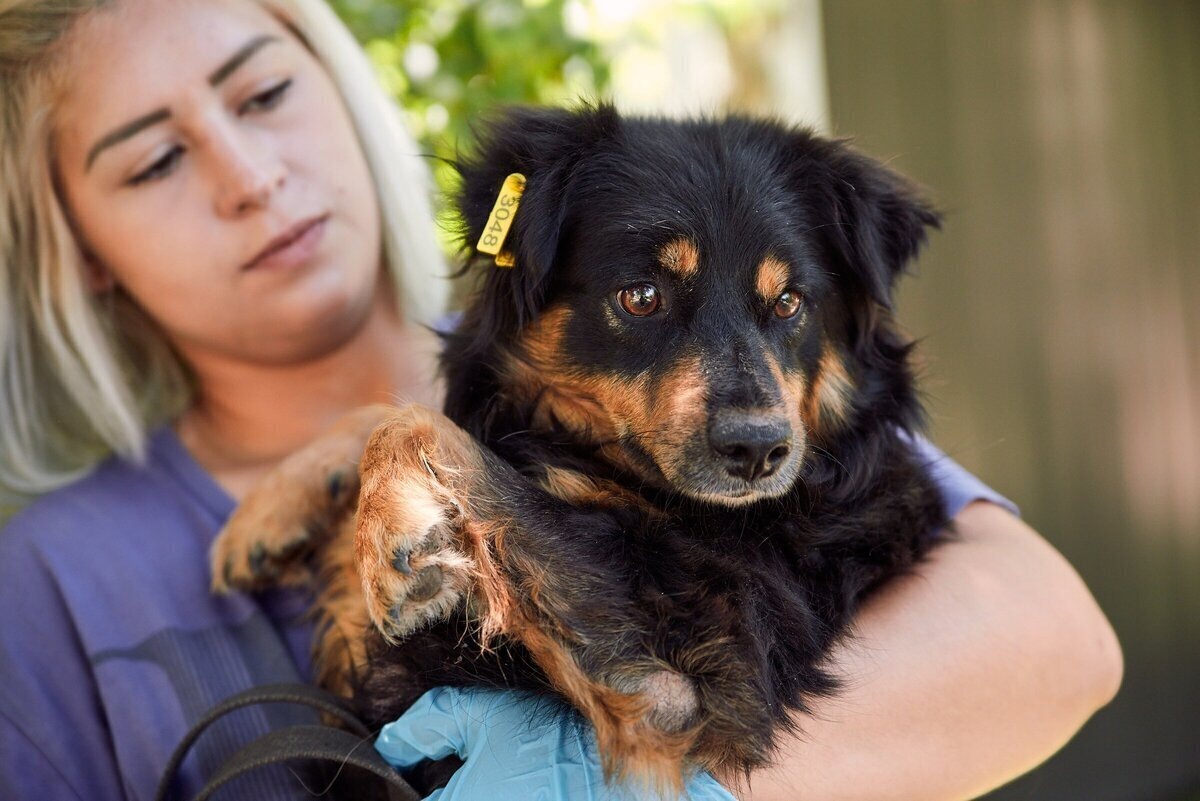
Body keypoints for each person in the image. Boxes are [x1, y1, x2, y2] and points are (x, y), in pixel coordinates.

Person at [0, 0, 1122, 799]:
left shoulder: (799, 446)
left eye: (265, 91)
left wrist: (658, 790)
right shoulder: (51, 584)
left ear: (333, 80)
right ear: (76, 243)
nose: (250, 177)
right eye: (154, 162)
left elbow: (1060, 644)